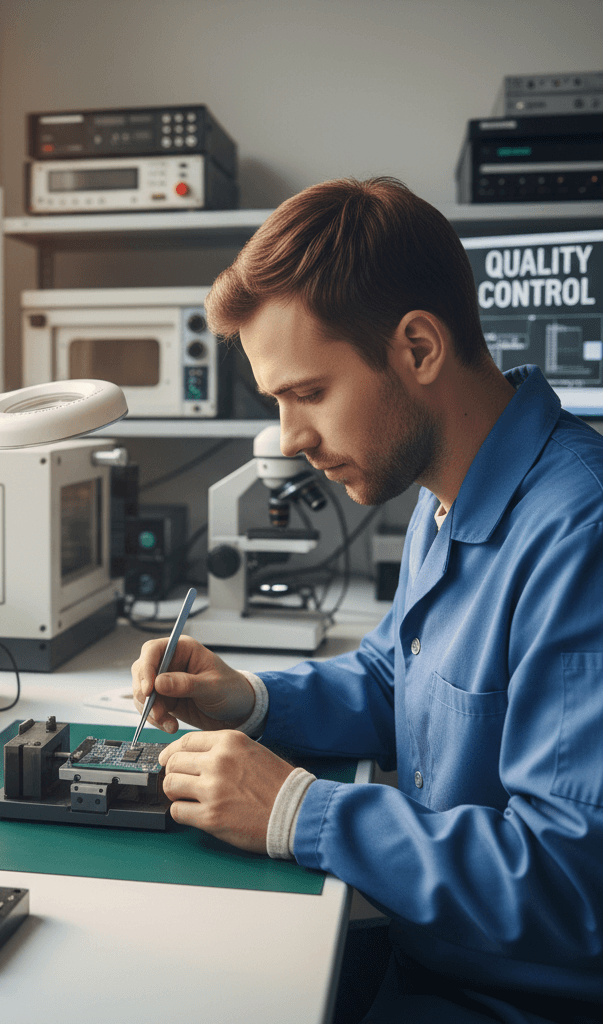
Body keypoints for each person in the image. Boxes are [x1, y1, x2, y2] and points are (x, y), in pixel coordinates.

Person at [130, 177, 603, 1023]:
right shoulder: (444, 487)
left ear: (418, 348)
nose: (289, 439)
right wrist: (248, 698)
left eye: (308, 393)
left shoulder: (580, 533)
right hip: (430, 958)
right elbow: (399, 680)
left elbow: (569, 876)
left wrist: (299, 812)